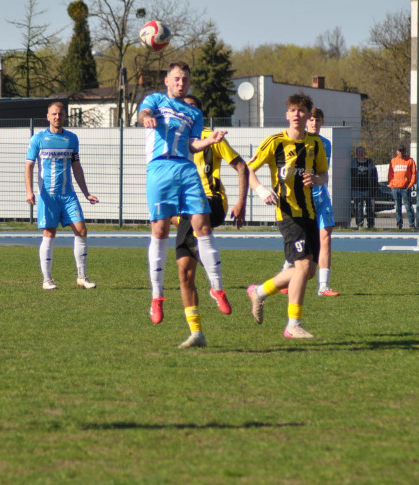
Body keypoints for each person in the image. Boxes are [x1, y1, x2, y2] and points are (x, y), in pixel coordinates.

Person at [138, 62, 228, 349]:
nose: (181, 82)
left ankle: (217, 289)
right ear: (167, 80)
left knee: (202, 224)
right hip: (159, 169)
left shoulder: (194, 112)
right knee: (160, 229)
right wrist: (148, 117)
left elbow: (192, 144)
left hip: (186, 169)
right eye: (176, 78)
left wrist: (209, 141)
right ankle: (157, 296)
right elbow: (144, 113)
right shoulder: (155, 99)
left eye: (185, 79)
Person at [245, 93, 329, 339]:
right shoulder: (275, 142)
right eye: (292, 110)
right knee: (302, 266)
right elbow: (248, 169)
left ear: (308, 115)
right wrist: (260, 190)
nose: (296, 114)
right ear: (287, 114)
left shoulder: (315, 144)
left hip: (310, 214)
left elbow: (324, 174)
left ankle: (259, 292)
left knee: (309, 271)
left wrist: (316, 180)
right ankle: (293, 324)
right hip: (288, 213)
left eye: (301, 111)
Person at [174, 93, 248, 314]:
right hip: (184, 209)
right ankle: (195, 329)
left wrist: (241, 202)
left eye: (192, 109)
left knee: (200, 213)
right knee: (185, 271)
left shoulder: (212, 137)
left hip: (213, 201)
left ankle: (218, 288)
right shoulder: (172, 141)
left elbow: (241, 166)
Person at [24, 101, 99, 290]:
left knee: (81, 230)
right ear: (48, 116)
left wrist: (86, 193)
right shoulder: (38, 139)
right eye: (54, 114)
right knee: (49, 233)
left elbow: (76, 166)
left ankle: (82, 277)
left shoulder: (72, 139)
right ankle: (47, 280)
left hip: (68, 195)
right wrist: (29, 190)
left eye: (60, 114)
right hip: (47, 196)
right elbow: (29, 165)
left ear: (65, 116)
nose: (57, 117)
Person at [305, 108, 339, 296]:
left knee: (326, 236)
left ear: (322, 122)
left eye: (317, 120)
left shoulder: (326, 144)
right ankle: (287, 274)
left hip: (322, 197)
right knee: (302, 244)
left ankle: (324, 286)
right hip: (303, 199)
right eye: (311, 119)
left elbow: (323, 173)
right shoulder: (299, 142)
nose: (314, 123)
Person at [388, 145, 416, 230]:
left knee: (408, 207)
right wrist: (391, 185)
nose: (401, 152)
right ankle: (399, 225)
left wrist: (410, 185)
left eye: (402, 151)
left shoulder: (410, 161)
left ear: (405, 151)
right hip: (395, 188)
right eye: (399, 151)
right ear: (397, 151)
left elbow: (414, 174)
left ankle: (411, 225)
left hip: (405, 188)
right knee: (397, 207)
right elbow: (390, 174)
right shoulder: (393, 161)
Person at [349, 146, 378, 229]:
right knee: (358, 208)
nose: (361, 153)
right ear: (356, 153)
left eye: (362, 152)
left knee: (370, 208)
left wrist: (374, 187)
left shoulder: (370, 163)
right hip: (357, 190)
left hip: (369, 189)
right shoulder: (353, 163)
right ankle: (360, 225)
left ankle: (371, 225)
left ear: (365, 153)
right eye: (359, 152)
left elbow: (375, 176)